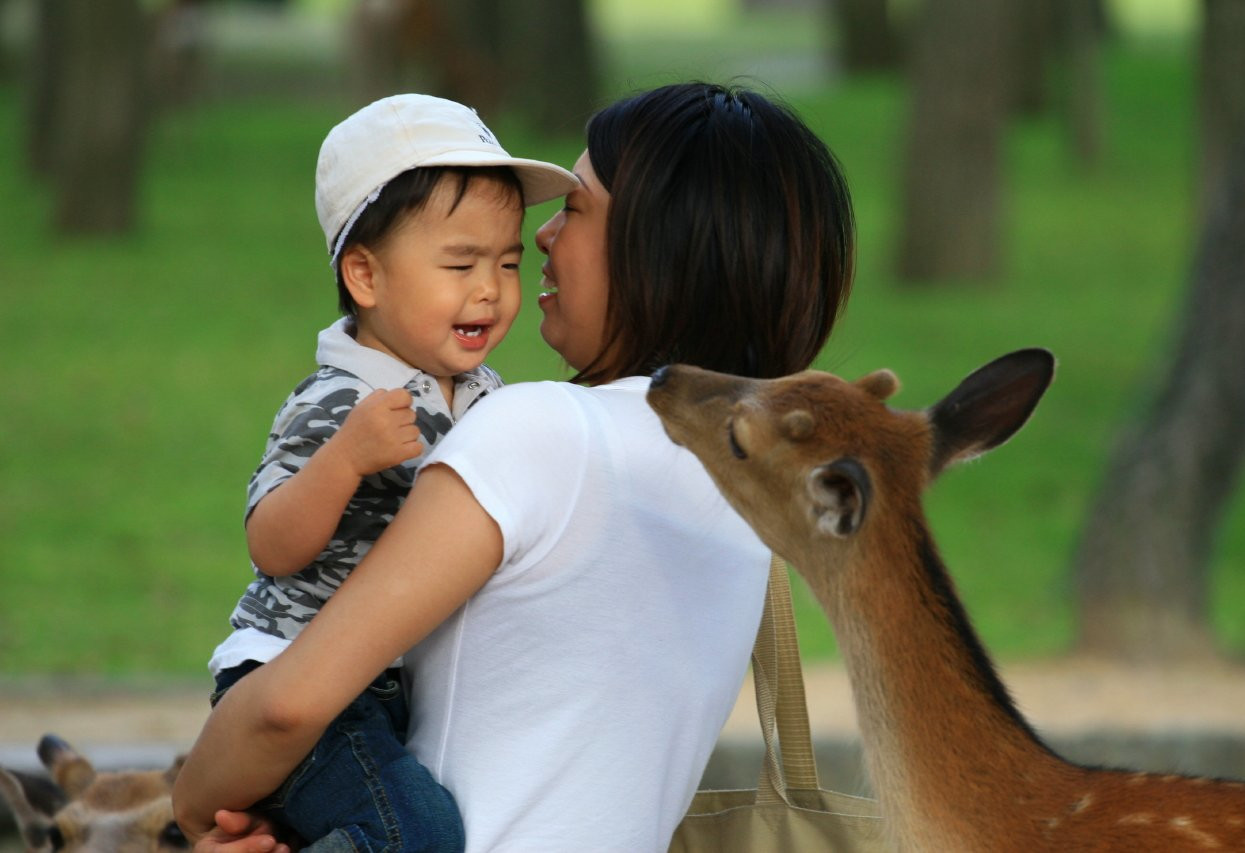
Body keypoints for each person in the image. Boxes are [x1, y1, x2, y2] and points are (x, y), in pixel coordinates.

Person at [173, 81, 855, 852]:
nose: (543, 237)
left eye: (577, 209)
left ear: (654, 245)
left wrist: (190, 804)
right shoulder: (749, 490)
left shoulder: (538, 431)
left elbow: (284, 709)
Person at [205, 93, 577, 852]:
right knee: (419, 832)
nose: (491, 288)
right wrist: (343, 460)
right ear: (365, 277)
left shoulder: (483, 394)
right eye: (460, 264)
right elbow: (270, 544)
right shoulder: (338, 399)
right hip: (298, 677)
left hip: (382, 684)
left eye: (508, 262)